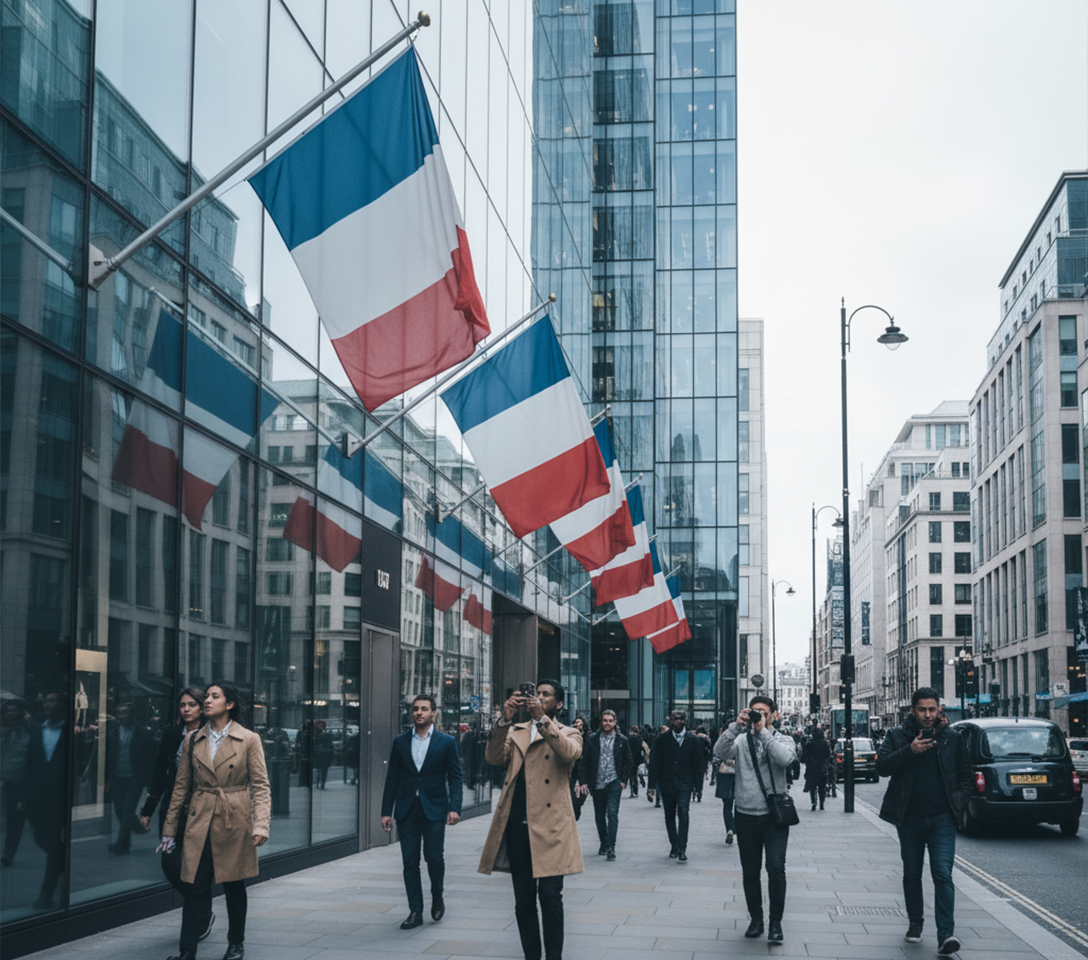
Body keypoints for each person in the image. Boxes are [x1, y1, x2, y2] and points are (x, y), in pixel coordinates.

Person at [162, 682, 271, 960]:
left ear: (229, 704)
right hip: (199, 818)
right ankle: (187, 950)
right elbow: (180, 787)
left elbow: (260, 785)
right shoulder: (192, 739)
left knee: (233, 884)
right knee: (195, 886)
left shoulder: (248, 739)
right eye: (207, 697)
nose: (207, 701)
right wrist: (170, 829)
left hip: (233, 818)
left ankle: (236, 944)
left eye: (214, 696)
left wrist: (261, 825)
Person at [478, 680, 582, 960]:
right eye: (536, 694)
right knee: (523, 900)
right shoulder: (516, 732)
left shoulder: (569, 731)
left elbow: (569, 753)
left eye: (545, 695)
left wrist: (542, 720)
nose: (538, 697)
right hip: (518, 825)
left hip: (552, 827)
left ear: (558, 704)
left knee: (550, 896)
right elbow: (493, 757)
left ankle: (554, 957)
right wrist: (503, 720)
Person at [876, 687, 972, 958]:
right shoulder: (897, 735)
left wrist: (959, 804)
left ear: (939, 708)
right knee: (912, 873)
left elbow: (966, 775)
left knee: (942, 874)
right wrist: (910, 750)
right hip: (909, 817)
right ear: (913, 711)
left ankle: (945, 935)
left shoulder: (953, 738)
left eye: (932, 709)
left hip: (943, 818)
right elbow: (882, 767)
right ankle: (915, 923)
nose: (928, 715)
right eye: (922, 710)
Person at [714, 696, 799, 945]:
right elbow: (719, 751)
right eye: (754, 712)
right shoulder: (740, 739)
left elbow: (785, 759)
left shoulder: (783, 739)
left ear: (773, 715)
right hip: (746, 815)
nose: (758, 716)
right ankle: (756, 919)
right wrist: (735, 726)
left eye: (763, 712)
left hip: (775, 817)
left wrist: (763, 733)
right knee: (750, 872)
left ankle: (775, 923)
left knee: (775, 868)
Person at [380, 694, 463, 929]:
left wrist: (455, 807)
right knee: (409, 862)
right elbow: (392, 778)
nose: (419, 713)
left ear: (433, 713)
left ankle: (437, 895)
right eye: (415, 709)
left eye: (424, 709)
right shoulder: (400, 741)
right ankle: (415, 911)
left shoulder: (446, 742)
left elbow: (456, 777)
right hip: (407, 810)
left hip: (435, 808)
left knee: (434, 858)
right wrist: (387, 811)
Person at [140, 689, 213, 938]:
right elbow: (160, 774)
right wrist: (147, 810)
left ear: (202, 708)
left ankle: (201, 916)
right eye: (182, 705)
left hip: (202, 809)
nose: (186, 709)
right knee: (170, 863)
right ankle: (201, 905)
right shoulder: (172, 736)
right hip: (173, 808)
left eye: (192, 704)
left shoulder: (213, 735)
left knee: (197, 866)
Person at [23, 691, 68, 909]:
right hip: (38, 796)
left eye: (53, 701)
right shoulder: (35, 730)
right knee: (40, 837)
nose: (48, 705)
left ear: (61, 705)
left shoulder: (71, 731)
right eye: (47, 701)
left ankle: (46, 892)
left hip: (60, 796)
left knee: (50, 838)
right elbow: (29, 763)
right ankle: (62, 859)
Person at [646, 710, 703, 861]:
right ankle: (674, 844)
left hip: (685, 783)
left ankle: (682, 848)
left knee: (683, 813)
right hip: (667, 783)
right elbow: (655, 763)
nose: (677, 721)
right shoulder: (662, 739)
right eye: (674, 719)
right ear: (670, 721)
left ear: (685, 720)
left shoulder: (693, 740)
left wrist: (699, 788)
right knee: (669, 815)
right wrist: (651, 786)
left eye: (680, 719)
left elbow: (698, 765)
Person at [583, 710, 634, 861]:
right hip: (597, 783)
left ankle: (611, 846)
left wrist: (623, 780)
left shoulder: (622, 740)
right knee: (599, 816)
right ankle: (603, 843)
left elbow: (629, 761)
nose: (607, 723)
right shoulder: (592, 739)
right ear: (601, 722)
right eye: (605, 720)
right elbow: (585, 761)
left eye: (610, 720)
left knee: (612, 814)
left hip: (614, 782)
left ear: (615, 722)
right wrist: (585, 781)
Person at [106, 701, 154, 854]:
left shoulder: (143, 733)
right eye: (119, 713)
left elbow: (150, 757)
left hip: (135, 777)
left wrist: (149, 780)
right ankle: (137, 828)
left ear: (133, 714)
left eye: (125, 713)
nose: (122, 717)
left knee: (127, 810)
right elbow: (107, 756)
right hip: (117, 776)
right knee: (119, 810)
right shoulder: (113, 733)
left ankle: (121, 843)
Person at [1, 699, 28, 867]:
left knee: (15, 819)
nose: (10, 714)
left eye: (14, 711)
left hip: (18, 783)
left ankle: (9, 853)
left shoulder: (28, 732)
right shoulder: (2, 731)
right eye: (7, 711)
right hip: (3, 780)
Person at [801, 728, 830, 811]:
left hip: (811, 769)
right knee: (822, 787)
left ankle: (814, 802)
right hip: (822, 768)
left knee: (812, 787)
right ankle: (822, 803)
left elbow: (804, 756)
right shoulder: (825, 744)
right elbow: (828, 755)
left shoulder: (810, 744)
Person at [569, 717, 589, 822]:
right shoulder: (569, 735)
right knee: (572, 797)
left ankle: (577, 810)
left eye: (579, 723)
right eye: (576, 722)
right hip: (572, 772)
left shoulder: (587, 738)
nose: (577, 724)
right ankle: (574, 813)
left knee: (581, 797)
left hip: (584, 773)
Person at [715, 754, 736, 844]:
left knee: (727, 805)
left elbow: (715, 754)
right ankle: (732, 828)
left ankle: (730, 829)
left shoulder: (722, 741)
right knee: (739, 804)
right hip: (739, 773)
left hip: (724, 774)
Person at [626, 726, 645, 798]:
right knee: (635, 773)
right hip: (637, 758)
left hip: (630, 758)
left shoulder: (629, 739)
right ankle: (636, 789)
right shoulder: (640, 739)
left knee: (631, 775)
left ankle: (632, 790)